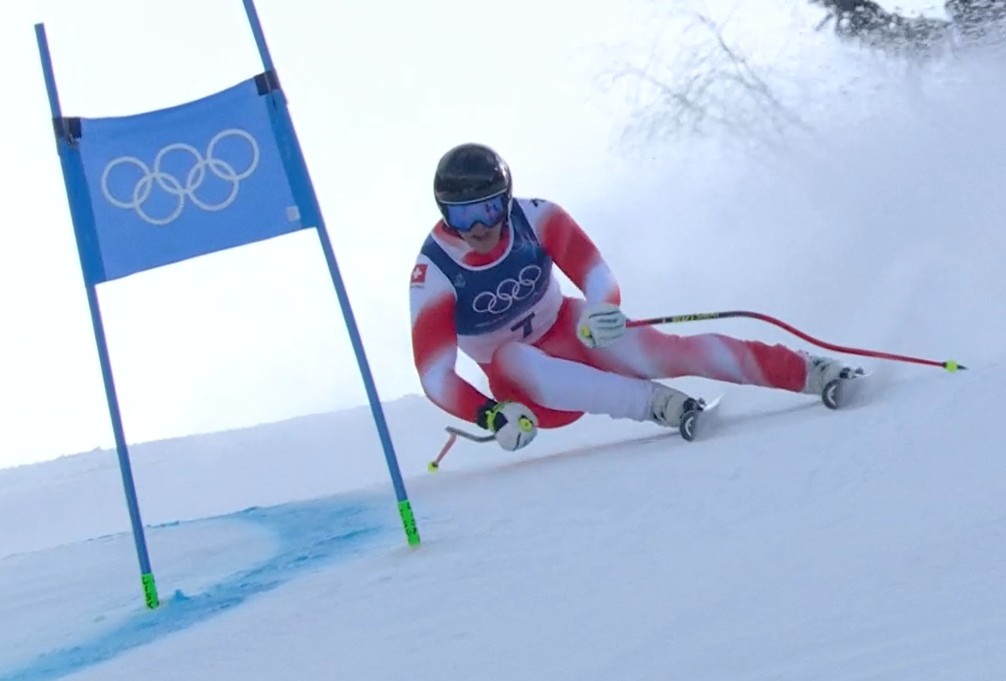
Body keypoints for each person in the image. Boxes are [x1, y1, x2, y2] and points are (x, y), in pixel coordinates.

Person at [408, 143, 856, 452]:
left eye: (487, 209)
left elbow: (595, 272)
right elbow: (435, 375)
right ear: (444, 213)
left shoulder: (537, 217)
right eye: (461, 215)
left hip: (570, 327)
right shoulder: (436, 272)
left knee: (664, 353)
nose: (477, 228)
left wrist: (603, 309)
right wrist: (491, 416)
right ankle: (656, 405)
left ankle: (807, 371)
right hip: (526, 392)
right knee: (512, 357)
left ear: (505, 200)